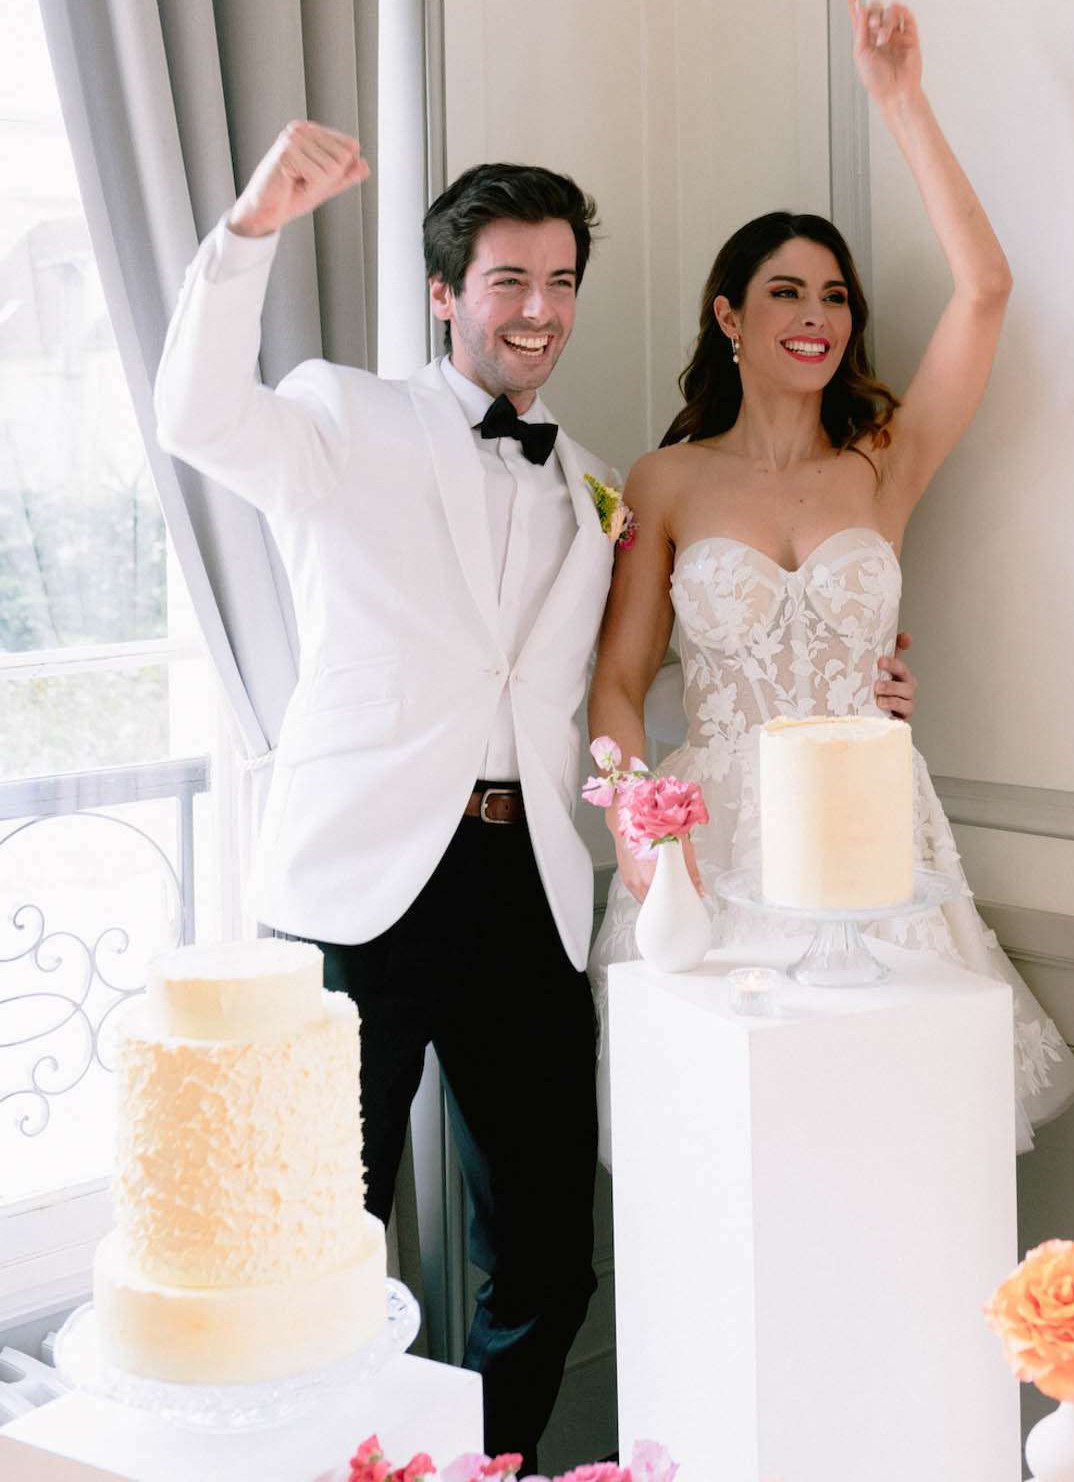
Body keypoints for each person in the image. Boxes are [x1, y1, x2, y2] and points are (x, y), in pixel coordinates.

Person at [152, 127, 929, 1457]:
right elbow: (196, 416)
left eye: (560, 281)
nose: (538, 310)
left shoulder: (589, 481)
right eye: (507, 280)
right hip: (362, 886)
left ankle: (481, 1464)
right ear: (446, 294)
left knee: (551, 1261)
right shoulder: (345, 416)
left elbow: (624, 678)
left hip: (527, 893)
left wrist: (847, 695)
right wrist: (248, 236)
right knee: (313, 1249)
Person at [589, 0, 1074, 1155]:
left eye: (835, 295)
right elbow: (616, 681)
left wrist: (902, 104)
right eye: (785, 292)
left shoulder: (883, 462)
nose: (816, 316)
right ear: (729, 315)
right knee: (740, 1148)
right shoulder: (661, 481)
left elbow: (986, 290)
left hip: (872, 826)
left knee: (893, 1129)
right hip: (717, 839)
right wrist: (635, 820)